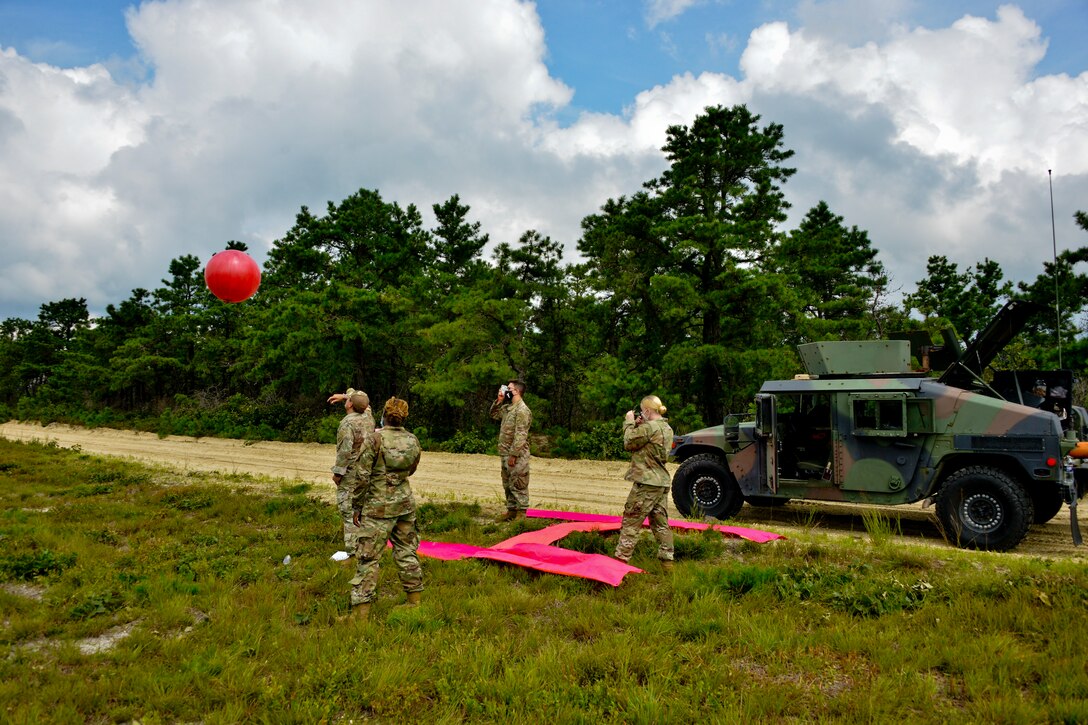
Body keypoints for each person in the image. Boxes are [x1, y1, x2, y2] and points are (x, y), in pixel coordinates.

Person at [346, 397, 423, 620]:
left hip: (378, 508)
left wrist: (356, 506)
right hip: (405, 504)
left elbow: (362, 476)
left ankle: (360, 615)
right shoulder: (412, 440)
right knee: (407, 551)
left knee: (368, 558)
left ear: (385, 415)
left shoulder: (374, 440)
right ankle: (414, 603)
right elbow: (411, 469)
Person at [613, 395, 675, 570]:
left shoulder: (649, 427)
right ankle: (667, 562)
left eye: (642, 411)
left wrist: (629, 423)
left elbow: (628, 442)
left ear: (647, 411)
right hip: (661, 481)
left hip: (646, 482)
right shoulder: (666, 428)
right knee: (660, 523)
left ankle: (619, 563)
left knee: (631, 521)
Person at [329, 388, 374, 560]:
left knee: (347, 509)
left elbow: (344, 452)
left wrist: (338, 474)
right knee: (360, 508)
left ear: (350, 405)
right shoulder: (368, 417)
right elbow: (363, 401)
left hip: (351, 471)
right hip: (366, 469)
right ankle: (365, 542)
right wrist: (347, 396)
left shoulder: (347, 423)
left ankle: (353, 551)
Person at [489, 379, 532, 521]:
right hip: (505, 452)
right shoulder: (508, 408)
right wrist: (499, 400)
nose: (506, 390)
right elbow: (494, 415)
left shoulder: (522, 410)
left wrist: (514, 454)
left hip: (517, 455)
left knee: (518, 483)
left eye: (509, 388)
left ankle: (521, 513)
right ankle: (511, 510)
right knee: (508, 483)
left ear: (516, 391)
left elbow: (521, 434)